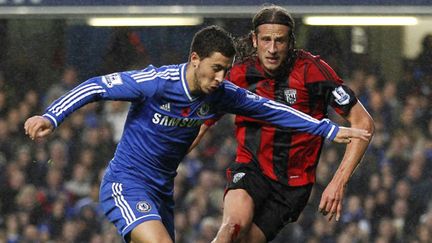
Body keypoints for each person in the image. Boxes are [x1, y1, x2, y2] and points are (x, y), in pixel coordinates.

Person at [24, 25, 369, 243]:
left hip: (162, 191)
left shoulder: (222, 94)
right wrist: (51, 116)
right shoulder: (156, 83)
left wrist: (326, 128)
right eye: (215, 68)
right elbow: (96, 86)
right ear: (194, 59)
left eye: (226, 70)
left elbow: (272, 110)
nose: (221, 77)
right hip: (125, 184)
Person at [192, 6, 374, 243]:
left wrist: (338, 182)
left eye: (280, 41)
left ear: (291, 42)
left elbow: (364, 124)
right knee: (230, 228)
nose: (272, 49)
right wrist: (170, 159)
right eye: (266, 39)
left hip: (291, 188)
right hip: (252, 168)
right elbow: (202, 122)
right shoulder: (238, 72)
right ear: (255, 40)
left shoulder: (313, 71)